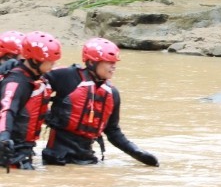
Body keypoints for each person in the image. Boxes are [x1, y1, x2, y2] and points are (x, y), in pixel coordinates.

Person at [42, 38, 159, 167]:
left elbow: (113, 131)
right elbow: (33, 86)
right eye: (109, 62)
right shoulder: (66, 76)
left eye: (114, 62)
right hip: (56, 158)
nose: (113, 66)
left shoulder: (112, 93)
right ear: (92, 62)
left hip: (87, 158)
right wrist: (47, 117)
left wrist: (136, 152)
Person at [0, 32, 60, 171]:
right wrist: (4, 137)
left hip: (24, 150)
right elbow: (6, 111)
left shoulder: (37, 79)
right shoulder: (16, 81)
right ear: (35, 60)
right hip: (9, 150)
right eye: (50, 61)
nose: (53, 64)